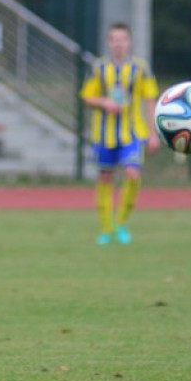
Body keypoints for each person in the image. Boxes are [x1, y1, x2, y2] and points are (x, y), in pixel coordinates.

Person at [79, 22, 159, 245]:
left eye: (122, 39)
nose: (119, 43)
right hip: (104, 134)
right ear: (109, 42)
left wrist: (153, 133)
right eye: (114, 39)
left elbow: (149, 100)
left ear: (129, 42)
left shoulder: (140, 68)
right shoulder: (99, 68)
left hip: (132, 133)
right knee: (105, 177)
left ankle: (121, 223)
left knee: (133, 174)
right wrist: (104, 102)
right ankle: (106, 228)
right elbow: (87, 96)